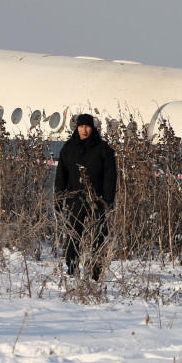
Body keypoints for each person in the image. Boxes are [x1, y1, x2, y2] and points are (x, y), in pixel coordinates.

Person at [54, 113, 117, 281]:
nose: (84, 130)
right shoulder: (69, 147)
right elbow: (61, 174)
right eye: (81, 126)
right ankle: (72, 270)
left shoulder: (103, 148)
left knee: (99, 236)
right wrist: (59, 198)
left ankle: (95, 272)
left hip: (97, 200)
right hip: (75, 198)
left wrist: (108, 200)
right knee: (73, 235)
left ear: (93, 128)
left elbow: (111, 175)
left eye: (87, 126)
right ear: (77, 128)